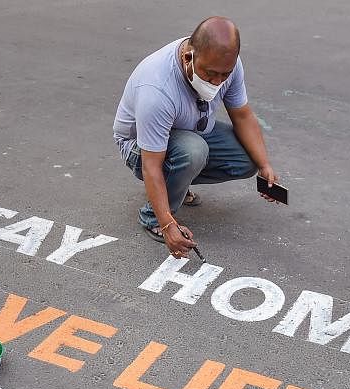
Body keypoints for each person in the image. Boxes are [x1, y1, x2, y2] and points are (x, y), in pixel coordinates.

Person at [112, 16, 280, 258]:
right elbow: (151, 165)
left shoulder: (226, 63)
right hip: (140, 148)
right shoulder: (156, 90)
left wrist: (265, 166)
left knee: (247, 159)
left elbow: (242, 115)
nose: (217, 82)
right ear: (187, 57)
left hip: (190, 133)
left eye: (224, 74)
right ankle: (153, 216)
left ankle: (176, 183)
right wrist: (169, 225)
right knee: (193, 151)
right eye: (210, 74)